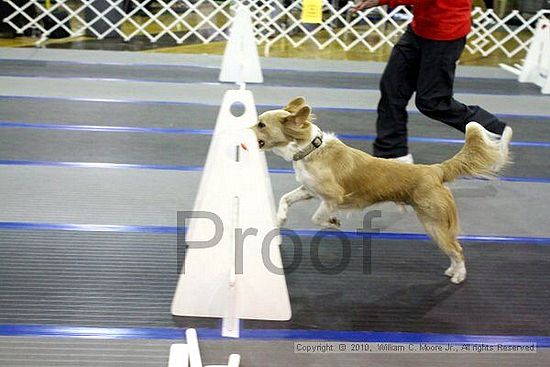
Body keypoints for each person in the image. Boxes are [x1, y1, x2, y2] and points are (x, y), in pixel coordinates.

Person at [352, 0, 511, 162]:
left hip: (445, 33)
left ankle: (492, 129)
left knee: (433, 102)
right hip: (419, 28)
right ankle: (392, 154)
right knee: (392, 88)